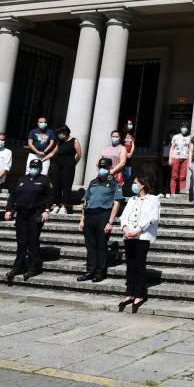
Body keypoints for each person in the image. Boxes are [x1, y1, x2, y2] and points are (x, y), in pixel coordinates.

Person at [5, 158, 52, 284]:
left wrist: (46, 210)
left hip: (35, 214)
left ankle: (34, 267)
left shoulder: (44, 180)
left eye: (36, 167)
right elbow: (13, 195)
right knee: (21, 241)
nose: (33, 169)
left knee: (32, 241)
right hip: (21, 214)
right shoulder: (22, 179)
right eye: (32, 166)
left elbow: (49, 197)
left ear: (40, 168)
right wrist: (9, 209)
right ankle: (18, 266)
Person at [117, 176, 160, 313]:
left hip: (142, 236)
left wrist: (137, 231)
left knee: (139, 265)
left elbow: (153, 218)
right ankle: (129, 292)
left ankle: (140, 294)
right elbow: (124, 216)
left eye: (135, 183)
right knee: (130, 265)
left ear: (142, 185)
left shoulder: (153, 199)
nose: (133, 185)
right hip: (128, 235)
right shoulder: (132, 199)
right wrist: (125, 229)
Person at [78, 158, 124, 282]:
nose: (102, 169)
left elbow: (117, 203)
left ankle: (100, 272)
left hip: (103, 215)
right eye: (101, 167)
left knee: (101, 245)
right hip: (90, 215)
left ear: (109, 168)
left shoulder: (115, 183)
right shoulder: (93, 182)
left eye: (105, 167)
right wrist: (82, 218)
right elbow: (86, 201)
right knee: (90, 245)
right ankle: (90, 270)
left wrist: (110, 222)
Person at [48, 125, 82, 215]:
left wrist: (73, 163)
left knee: (66, 186)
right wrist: (43, 159)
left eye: (60, 133)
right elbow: (53, 152)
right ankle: (57, 205)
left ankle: (64, 206)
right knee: (57, 185)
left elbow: (79, 154)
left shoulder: (74, 140)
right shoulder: (60, 142)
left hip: (68, 166)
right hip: (58, 166)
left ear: (66, 132)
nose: (59, 135)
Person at [168, 122, 192, 198]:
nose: (184, 129)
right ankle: (172, 193)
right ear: (180, 128)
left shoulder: (190, 137)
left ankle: (181, 193)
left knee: (183, 177)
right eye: (183, 127)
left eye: (186, 127)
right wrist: (170, 159)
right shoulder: (175, 136)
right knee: (174, 176)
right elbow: (172, 148)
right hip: (175, 158)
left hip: (185, 159)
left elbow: (191, 149)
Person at [121, 119, 138, 197]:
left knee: (128, 175)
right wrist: (124, 153)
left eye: (131, 124)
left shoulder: (131, 135)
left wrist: (130, 153)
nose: (130, 125)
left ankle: (125, 191)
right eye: (128, 124)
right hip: (121, 157)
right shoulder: (121, 135)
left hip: (129, 159)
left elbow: (133, 144)